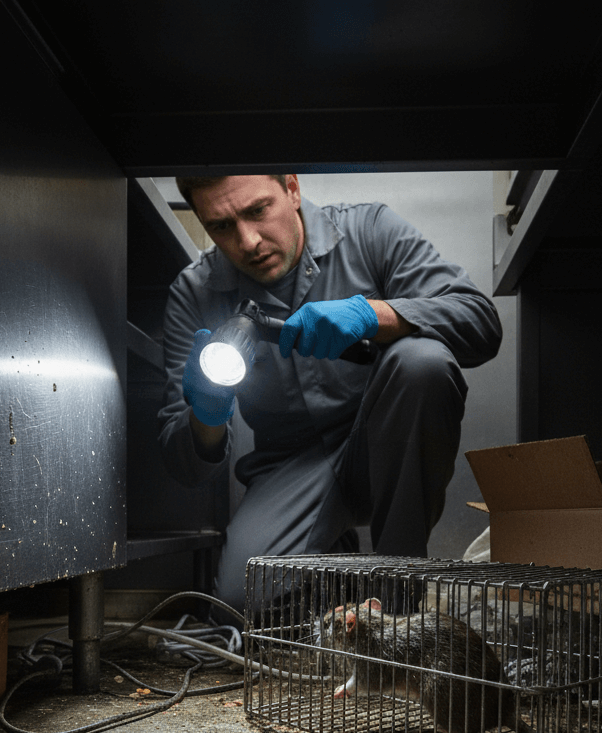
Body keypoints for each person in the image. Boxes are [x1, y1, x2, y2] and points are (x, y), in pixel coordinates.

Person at [157, 174, 502, 617]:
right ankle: (333, 565)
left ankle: (398, 602)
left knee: (422, 362)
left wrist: (374, 315)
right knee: (240, 605)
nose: (248, 241)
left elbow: (480, 321)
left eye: (258, 211)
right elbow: (182, 461)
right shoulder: (194, 291)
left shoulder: (369, 231)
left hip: (389, 443)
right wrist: (205, 413)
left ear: (292, 189)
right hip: (290, 465)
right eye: (222, 226)